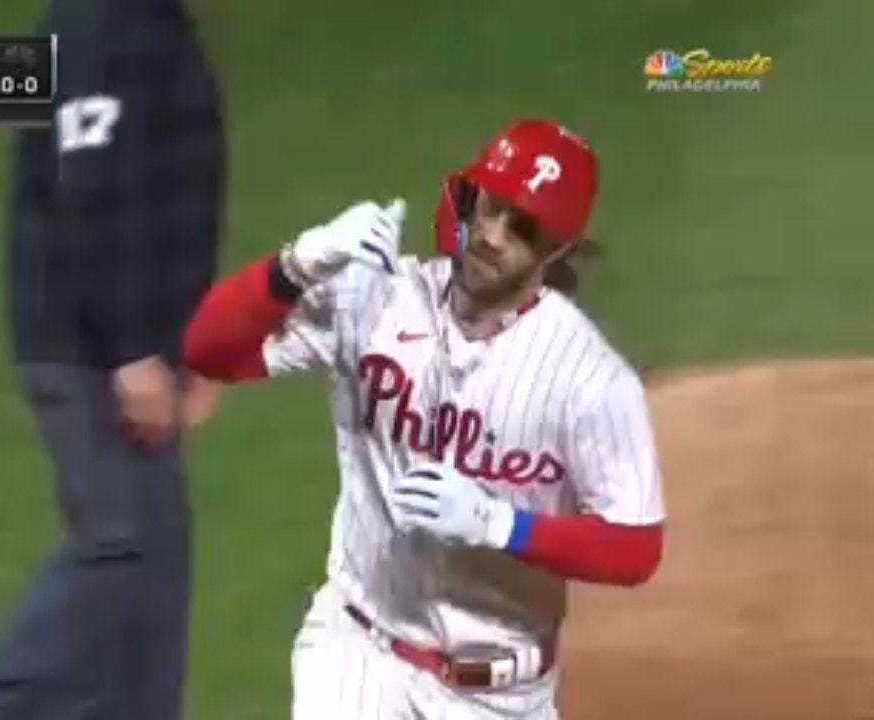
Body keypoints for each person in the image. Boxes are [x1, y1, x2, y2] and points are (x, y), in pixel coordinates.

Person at [182, 119, 665, 719]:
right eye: (492, 207)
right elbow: (207, 350)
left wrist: (498, 524)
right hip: (358, 654)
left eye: (523, 228)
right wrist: (299, 262)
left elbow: (635, 547)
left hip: (497, 695)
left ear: (558, 250)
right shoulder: (377, 298)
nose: (492, 234)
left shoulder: (588, 379)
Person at [0, 0, 224, 718]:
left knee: (151, 574)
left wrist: (192, 347)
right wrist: (130, 353)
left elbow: (163, 196)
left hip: (132, 345)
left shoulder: (152, 22)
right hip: (89, 347)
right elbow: (87, 190)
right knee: (118, 554)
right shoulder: (99, 25)